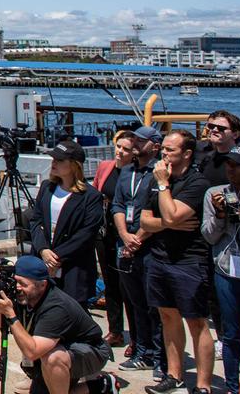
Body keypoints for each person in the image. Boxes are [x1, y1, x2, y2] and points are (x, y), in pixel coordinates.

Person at [140, 130, 214, 394]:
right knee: (167, 316)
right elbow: (145, 221)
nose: (164, 154)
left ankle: (203, 385)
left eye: (170, 150)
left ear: (187, 153)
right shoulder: (158, 178)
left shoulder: (197, 183)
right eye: (163, 150)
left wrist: (163, 188)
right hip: (160, 257)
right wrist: (166, 223)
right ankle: (174, 375)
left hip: (189, 261)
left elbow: (172, 214)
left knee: (196, 321)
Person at [0, 255, 114, 394]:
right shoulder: (23, 295)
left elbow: (32, 352)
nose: (17, 288)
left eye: (23, 284)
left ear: (42, 284)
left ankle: (103, 384)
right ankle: (94, 386)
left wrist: (11, 315)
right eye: (15, 282)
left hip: (90, 350)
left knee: (52, 358)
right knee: (31, 388)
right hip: (61, 346)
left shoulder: (56, 306)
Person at [111, 126, 165, 376]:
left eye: (141, 140)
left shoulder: (159, 173)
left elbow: (159, 211)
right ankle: (142, 350)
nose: (135, 143)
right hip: (126, 244)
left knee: (154, 304)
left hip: (149, 247)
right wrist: (124, 236)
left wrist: (138, 239)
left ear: (154, 146)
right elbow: (118, 205)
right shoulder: (126, 172)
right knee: (135, 303)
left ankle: (158, 354)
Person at [200, 143, 240, 393]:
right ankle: (233, 385)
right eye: (228, 165)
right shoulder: (215, 193)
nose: (230, 170)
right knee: (231, 334)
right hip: (227, 270)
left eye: (237, 165)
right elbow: (208, 236)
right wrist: (220, 215)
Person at [28, 140, 104, 307]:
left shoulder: (91, 196)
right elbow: (35, 220)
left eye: (60, 160)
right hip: (44, 262)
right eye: (53, 159)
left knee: (72, 316)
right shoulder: (47, 187)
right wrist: (43, 250)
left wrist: (56, 258)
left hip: (73, 268)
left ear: (74, 165)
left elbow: (86, 234)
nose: (53, 163)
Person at [91, 132, 136, 349]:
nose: (120, 152)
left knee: (129, 287)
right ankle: (115, 331)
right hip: (104, 232)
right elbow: (95, 191)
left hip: (125, 235)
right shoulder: (105, 166)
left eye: (126, 149)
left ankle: (137, 337)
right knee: (111, 285)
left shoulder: (135, 174)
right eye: (118, 146)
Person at [197, 110, 240, 188]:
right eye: (211, 126)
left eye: (221, 128)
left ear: (235, 134)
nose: (214, 130)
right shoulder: (208, 158)